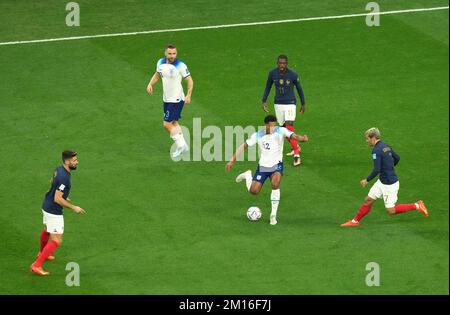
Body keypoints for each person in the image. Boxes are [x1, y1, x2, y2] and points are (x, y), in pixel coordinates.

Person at [226, 115, 308, 225]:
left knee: (275, 184)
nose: (274, 128)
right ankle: (247, 175)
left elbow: (293, 135)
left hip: (276, 165)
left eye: (275, 125)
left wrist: (302, 139)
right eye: (272, 126)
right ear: (266, 125)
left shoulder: (281, 130)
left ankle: (273, 215)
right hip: (263, 167)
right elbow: (243, 146)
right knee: (254, 191)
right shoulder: (258, 135)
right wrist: (232, 160)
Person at [341, 128, 429, 227]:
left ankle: (417, 205)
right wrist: (389, 167)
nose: (367, 141)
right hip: (382, 181)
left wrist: (367, 180)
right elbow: (397, 158)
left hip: (389, 185)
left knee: (391, 210)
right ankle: (355, 221)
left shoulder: (376, 151)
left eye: (367, 139)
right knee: (368, 200)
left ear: (373, 138)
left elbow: (377, 169)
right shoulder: (385, 145)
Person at [30, 150, 85, 276]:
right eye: (74, 160)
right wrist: (73, 207)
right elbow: (57, 199)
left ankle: (42, 252)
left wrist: (61, 195)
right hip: (53, 210)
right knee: (57, 239)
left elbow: (53, 182)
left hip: (46, 204)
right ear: (67, 161)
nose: (77, 162)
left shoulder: (59, 169)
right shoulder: (64, 177)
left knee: (47, 229)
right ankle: (36, 265)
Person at [147, 44, 194, 158]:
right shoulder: (160, 63)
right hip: (167, 99)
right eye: (170, 53)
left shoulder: (180, 65)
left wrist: (188, 95)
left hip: (176, 99)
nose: (172, 56)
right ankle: (183, 146)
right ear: (165, 53)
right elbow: (157, 75)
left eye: (174, 54)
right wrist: (150, 84)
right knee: (174, 122)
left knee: (166, 124)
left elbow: (190, 80)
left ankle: (181, 145)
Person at [262, 55, 306, 166]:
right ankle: (296, 146)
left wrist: (303, 103)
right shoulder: (272, 73)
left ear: (287, 63)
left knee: (289, 124)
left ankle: (296, 155)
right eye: (280, 63)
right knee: (282, 128)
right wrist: (264, 100)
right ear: (277, 63)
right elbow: (268, 86)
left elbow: (299, 88)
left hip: (290, 103)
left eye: (284, 63)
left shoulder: (293, 74)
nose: (282, 66)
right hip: (278, 104)